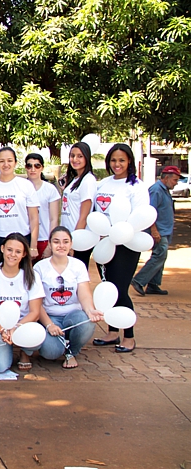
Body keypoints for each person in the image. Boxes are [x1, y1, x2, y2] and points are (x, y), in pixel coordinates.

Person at [92, 144, 150, 353]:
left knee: (120, 289)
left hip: (126, 244)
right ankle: (112, 331)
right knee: (107, 286)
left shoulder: (135, 186)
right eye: (114, 160)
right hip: (104, 243)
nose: (117, 164)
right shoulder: (103, 184)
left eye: (122, 160)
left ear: (129, 162)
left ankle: (129, 336)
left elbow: (141, 216)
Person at [35, 227, 103, 369]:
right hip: (50, 316)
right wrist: (49, 325)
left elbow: (84, 294)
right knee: (50, 353)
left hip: (73, 315)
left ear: (71, 244)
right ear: (49, 244)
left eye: (65, 242)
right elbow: (36, 303)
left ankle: (71, 352)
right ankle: (59, 342)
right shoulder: (40, 268)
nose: (61, 246)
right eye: (56, 241)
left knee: (86, 322)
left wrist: (90, 310)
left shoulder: (78, 265)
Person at [0, 233, 45, 373]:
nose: (13, 255)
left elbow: (35, 312)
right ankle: (3, 345)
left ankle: (25, 352)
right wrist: (1, 329)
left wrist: (15, 328)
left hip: (23, 323)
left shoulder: (32, 276)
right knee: (0, 366)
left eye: (18, 251)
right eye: (9, 250)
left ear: (24, 254)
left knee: (40, 338)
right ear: (2, 249)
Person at [0, 147, 40, 266]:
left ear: (15, 163)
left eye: (10, 160)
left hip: (22, 239)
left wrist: (33, 246)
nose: (6, 164)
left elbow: (33, 217)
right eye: (2, 161)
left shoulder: (26, 185)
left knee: (22, 277)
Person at [131, 165, 181, 297]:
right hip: (158, 230)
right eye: (174, 180)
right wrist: (154, 230)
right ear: (166, 178)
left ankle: (153, 285)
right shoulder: (156, 190)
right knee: (160, 254)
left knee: (161, 256)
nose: (176, 183)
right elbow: (149, 212)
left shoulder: (164, 190)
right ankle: (139, 280)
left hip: (164, 229)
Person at [59, 142, 96, 267]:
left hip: (78, 238)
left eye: (80, 156)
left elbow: (84, 216)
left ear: (87, 157)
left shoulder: (88, 180)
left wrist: (74, 241)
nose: (75, 159)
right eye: (72, 156)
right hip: (67, 235)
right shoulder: (75, 179)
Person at [25, 153, 60, 261]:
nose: (33, 169)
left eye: (37, 166)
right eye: (29, 166)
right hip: (25, 238)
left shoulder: (50, 189)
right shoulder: (20, 188)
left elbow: (54, 219)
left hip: (44, 238)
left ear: (42, 168)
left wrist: (50, 244)